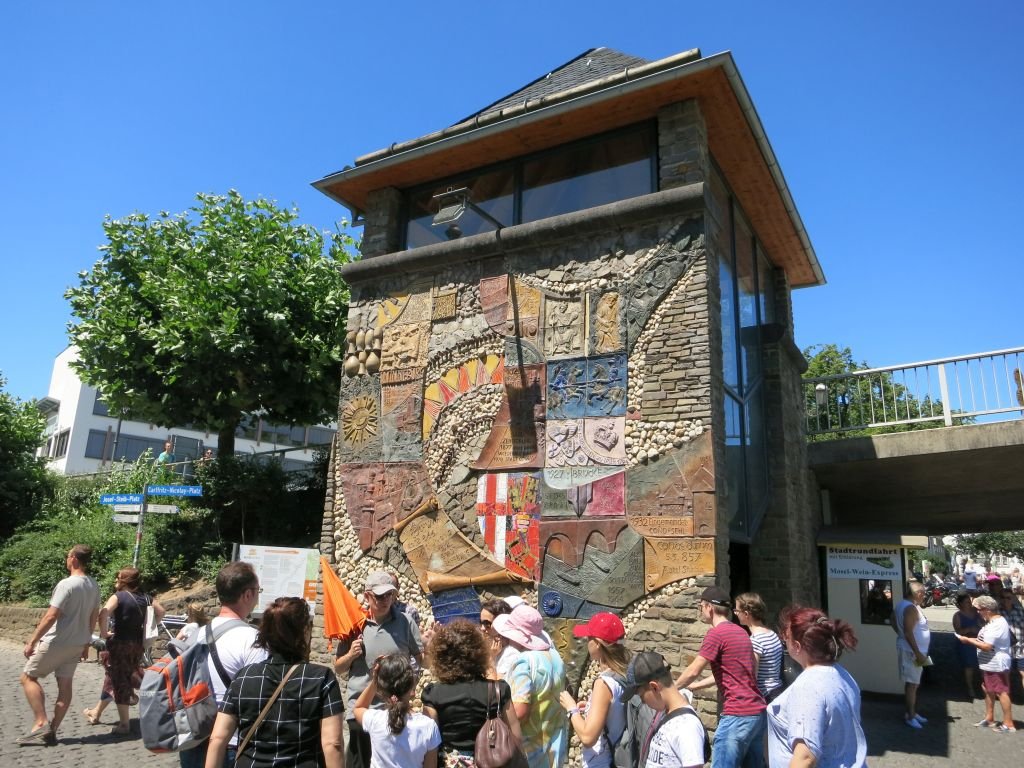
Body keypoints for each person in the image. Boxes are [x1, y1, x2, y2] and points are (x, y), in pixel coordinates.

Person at [205, 596, 344, 768]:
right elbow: (333, 744)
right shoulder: (321, 678)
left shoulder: (243, 677)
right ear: (304, 632)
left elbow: (218, 738)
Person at [179, 560, 268, 768]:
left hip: (193, 737)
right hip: (231, 743)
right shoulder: (253, 640)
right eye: (258, 591)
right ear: (247, 594)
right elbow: (260, 697)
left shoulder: (196, 635)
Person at [335, 570, 424, 768]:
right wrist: (350, 655)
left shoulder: (406, 622)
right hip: (361, 710)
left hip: (393, 710)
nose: (386, 600)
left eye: (389, 595)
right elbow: (339, 667)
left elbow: (422, 660)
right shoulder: (355, 624)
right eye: (380, 596)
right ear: (367, 596)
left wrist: (411, 683)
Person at [674, 586, 766, 768]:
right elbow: (734, 673)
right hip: (756, 714)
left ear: (709, 607)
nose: (700, 610)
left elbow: (694, 670)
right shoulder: (741, 632)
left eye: (701, 606)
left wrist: (672, 689)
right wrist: (695, 686)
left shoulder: (716, 634)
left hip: (737, 716)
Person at [18, 544, 101, 746]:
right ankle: (52, 730)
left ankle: (41, 722)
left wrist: (32, 641)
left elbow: (51, 615)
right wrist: (86, 643)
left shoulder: (66, 584)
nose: (66, 559)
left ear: (74, 559)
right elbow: (93, 616)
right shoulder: (93, 585)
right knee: (65, 685)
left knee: (28, 678)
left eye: (68, 555)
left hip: (57, 641)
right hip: (77, 643)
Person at [767, 606, 866, 768]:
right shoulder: (842, 674)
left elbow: (805, 757)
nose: (785, 642)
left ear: (797, 646)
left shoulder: (808, 687)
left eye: (787, 639)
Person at [421, 619, 523, 766]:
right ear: (479, 653)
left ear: (441, 656)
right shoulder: (498, 690)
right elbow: (516, 738)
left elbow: (429, 744)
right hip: (491, 762)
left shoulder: (433, 693)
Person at [86, 566, 166, 735]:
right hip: (137, 645)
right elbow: (161, 612)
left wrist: (103, 633)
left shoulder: (119, 596)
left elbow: (103, 614)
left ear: (125, 581)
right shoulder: (146, 598)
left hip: (119, 644)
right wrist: (148, 627)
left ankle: (124, 724)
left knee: (120, 681)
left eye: (119, 577)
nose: (116, 580)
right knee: (113, 677)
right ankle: (96, 712)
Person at [492, 603, 568, 768]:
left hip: (531, 752)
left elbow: (520, 711)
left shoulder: (523, 662)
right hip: (555, 747)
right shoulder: (555, 657)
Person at [558, 613, 631, 768]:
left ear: (597, 643)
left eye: (589, 638)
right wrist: (591, 706)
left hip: (601, 762)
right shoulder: (624, 674)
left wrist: (571, 708)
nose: (586, 641)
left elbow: (588, 737)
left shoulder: (603, 684)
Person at [355, 654, 441, 768]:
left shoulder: (375, 720)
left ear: (382, 689)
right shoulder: (428, 726)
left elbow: (358, 708)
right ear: (412, 687)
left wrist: (375, 680)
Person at [625, 651, 706, 768]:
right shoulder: (664, 714)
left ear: (654, 687)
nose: (643, 702)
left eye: (641, 696)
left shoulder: (686, 726)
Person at [957, 595, 1015, 732]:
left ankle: (1008, 724)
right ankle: (989, 718)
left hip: (996, 664)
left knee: (1001, 691)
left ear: (987, 609)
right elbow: (984, 642)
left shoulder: (996, 624)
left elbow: (987, 646)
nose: (977, 612)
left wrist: (968, 640)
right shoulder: (992, 622)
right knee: (988, 689)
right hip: (989, 663)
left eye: (979, 609)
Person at [892, 581, 930, 728]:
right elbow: (908, 632)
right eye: (923, 593)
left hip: (914, 651)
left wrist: (900, 634)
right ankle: (910, 715)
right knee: (912, 684)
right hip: (912, 652)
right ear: (918, 593)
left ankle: (913, 712)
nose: (924, 596)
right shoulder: (910, 608)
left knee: (915, 683)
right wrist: (917, 652)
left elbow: (892, 620)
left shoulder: (904, 605)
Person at [734, 593, 784, 703]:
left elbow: (752, 677)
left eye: (737, 610)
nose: (735, 613)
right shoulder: (772, 634)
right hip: (777, 691)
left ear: (746, 614)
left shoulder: (755, 641)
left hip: (765, 697)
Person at [951, 592, 982, 698]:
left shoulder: (976, 612)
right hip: (966, 643)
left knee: (982, 664)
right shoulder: (957, 615)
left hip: (979, 641)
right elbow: (958, 631)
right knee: (969, 666)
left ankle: (983, 685)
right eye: (966, 602)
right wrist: (969, 629)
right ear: (960, 604)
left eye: (969, 601)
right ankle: (970, 687)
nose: (969, 604)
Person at [479, 598, 517, 679]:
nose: (482, 628)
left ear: (501, 623)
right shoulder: (487, 649)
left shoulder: (510, 654)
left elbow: (495, 686)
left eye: (487, 624)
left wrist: (491, 659)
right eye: (481, 623)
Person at [1006, 588, 1024, 693]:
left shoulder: (1020, 610)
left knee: (1023, 672)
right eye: (1003, 597)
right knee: (1006, 673)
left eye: (1008, 598)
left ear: (1013, 598)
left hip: (1021, 647)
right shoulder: (998, 611)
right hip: (1006, 649)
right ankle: (1007, 695)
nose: (1005, 600)